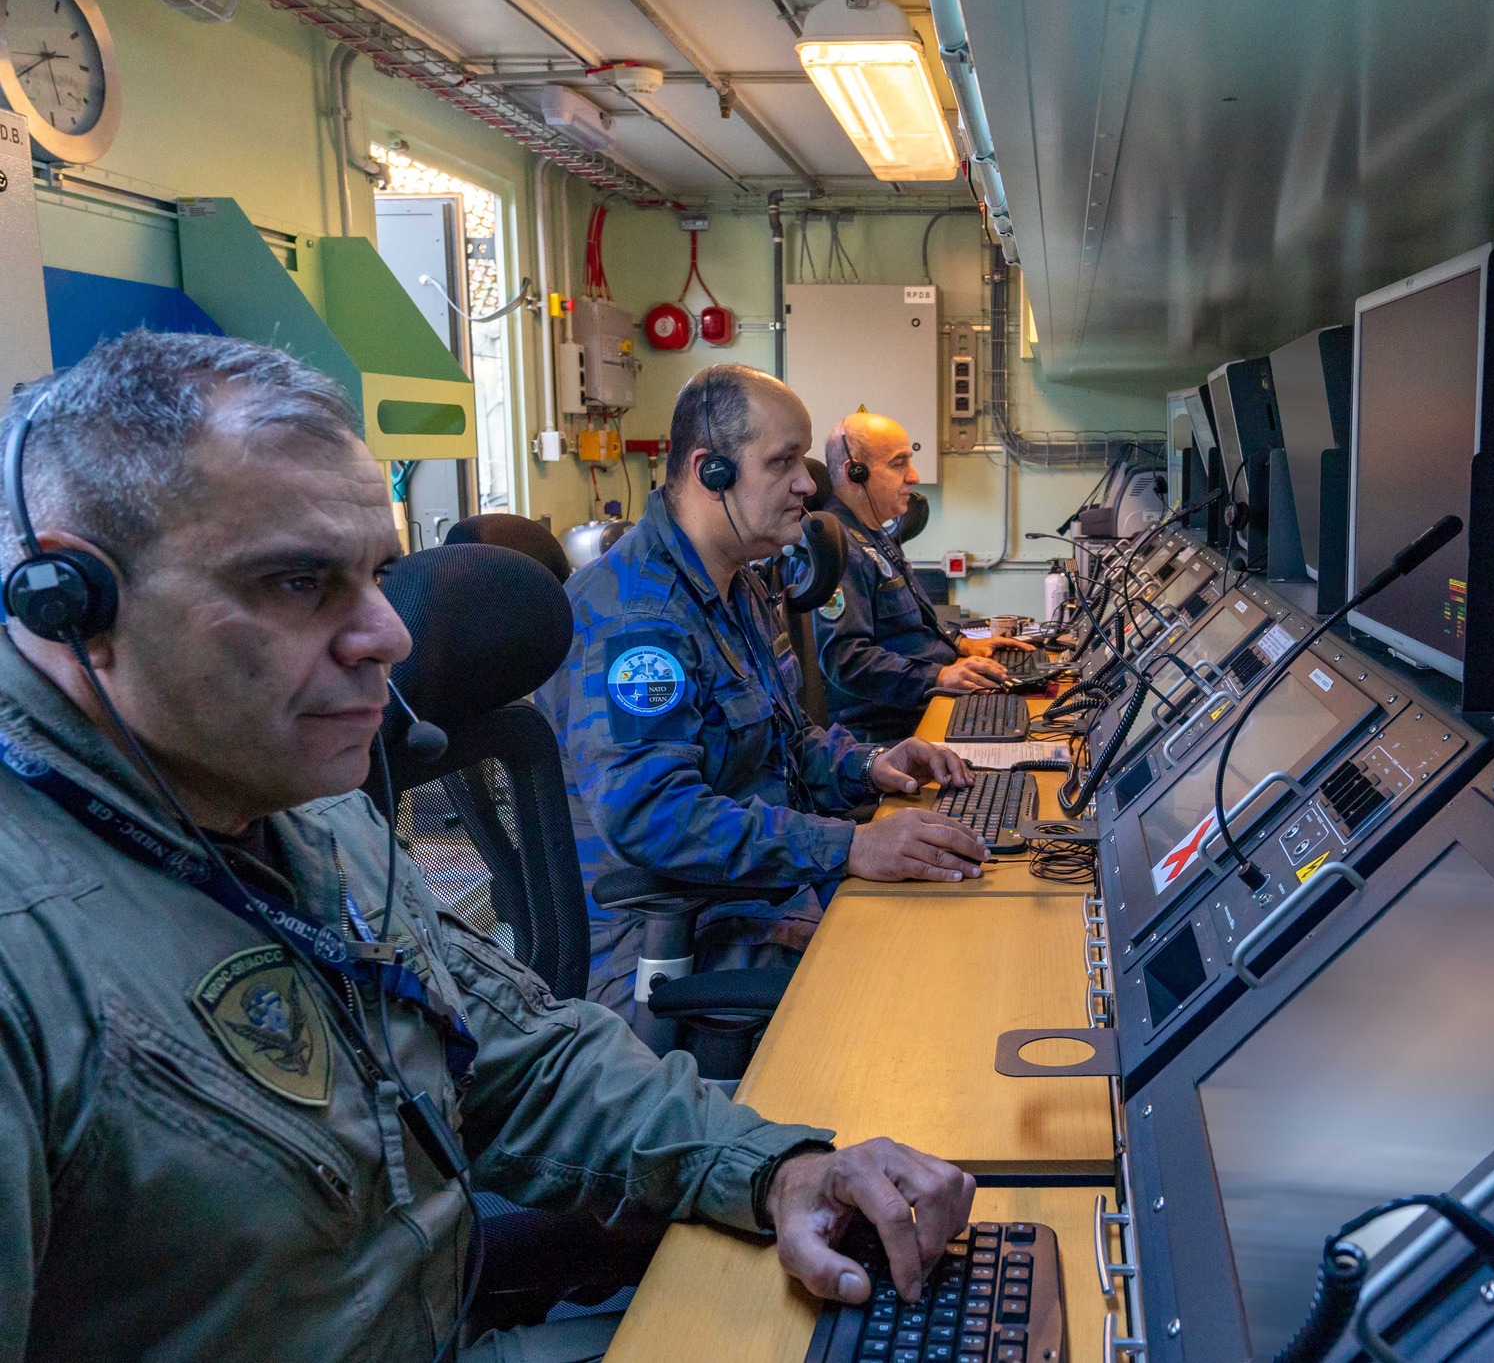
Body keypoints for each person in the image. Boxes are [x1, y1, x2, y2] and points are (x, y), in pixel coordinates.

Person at [0, 334, 975, 1362]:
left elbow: (523, 1061)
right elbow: (653, 817)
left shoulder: (301, 812)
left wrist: (776, 1170)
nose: (390, 635)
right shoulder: (31, 955)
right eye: (296, 583)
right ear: (76, 602)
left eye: (378, 574)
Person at [539, 367, 991, 1019]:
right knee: (916, 992)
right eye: (783, 462)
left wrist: (871, 764)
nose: (808, 483)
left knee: (949, 937)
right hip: (666, 941)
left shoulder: (737, 584)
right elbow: (654, 817)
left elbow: (785, 741)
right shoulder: (638, 621)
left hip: (757, 892)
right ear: (711, 471)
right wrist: (848, 846)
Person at [811, 412, 1037, 742]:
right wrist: (939, 676)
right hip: (887, 730)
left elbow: (907, 626)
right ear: (854, 473)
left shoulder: (874, 534)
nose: (914, 477)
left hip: (919, 704)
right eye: (898, 463)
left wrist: (960, 643)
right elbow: (847, 660)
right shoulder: (840, 550)